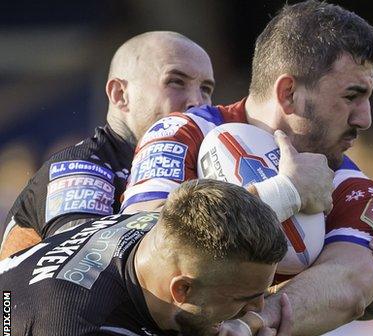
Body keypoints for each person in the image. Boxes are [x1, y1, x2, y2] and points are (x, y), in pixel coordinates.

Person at [121, 1, 373, 336]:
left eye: (368, 97)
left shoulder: (354, 189)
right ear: (288, 93)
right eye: (351, 96)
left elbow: (351, 283)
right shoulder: (184, 132)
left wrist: (253, 323)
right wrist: (284, 193)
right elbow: (138, 242)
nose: (364, 118)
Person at [0, 179, 293, 336]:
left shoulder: (164, 228)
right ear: (182, 290)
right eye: (244, 299)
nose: (258, 308)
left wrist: (287, 190)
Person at [0, 31, 216, 259]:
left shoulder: (200, 167)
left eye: (206, 89)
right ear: (120, 94)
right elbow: (88, 267)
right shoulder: (81, 168)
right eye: (176, 81)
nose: (197, 102)